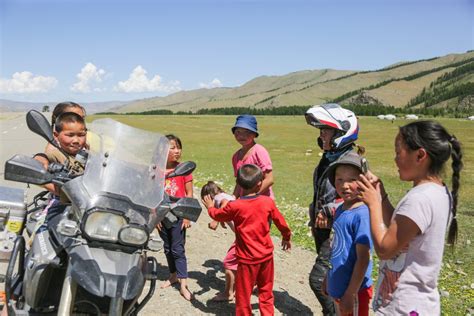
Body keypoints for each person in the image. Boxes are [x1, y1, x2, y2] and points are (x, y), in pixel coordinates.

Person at [356, 120, 463, 315]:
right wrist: (381, 195)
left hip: (402, 306)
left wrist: (372, 204)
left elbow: (385, 249)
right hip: (419, 304)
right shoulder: (437, 191)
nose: (395, 159)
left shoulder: (419, 199)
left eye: (398, 152)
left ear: (420, 155)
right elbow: (399, 231)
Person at [203, 164, 291, 316]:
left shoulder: (235, 206)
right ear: (259, 184)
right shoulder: (267, 202)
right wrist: (286, 236)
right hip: (266, 257)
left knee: (243, 296)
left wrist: (210, 207)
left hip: (246, 260)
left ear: (239, 183)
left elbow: (217, 215)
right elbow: (281, 222)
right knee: (266, 291)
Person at [304, 103, 362, 316]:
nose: (322, 136)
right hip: (325, 231)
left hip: (340, 233)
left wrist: (329, 209)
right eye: (321, 131)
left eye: (326, 130)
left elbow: (361, 197)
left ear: (342, 132)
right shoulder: (329, 158)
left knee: (319, 279)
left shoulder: (352, 162)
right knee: (333, 282)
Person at [323, 152, 373, 316]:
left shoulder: (362, 214)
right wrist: (328, 278)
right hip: (339, 287)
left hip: (354, 292)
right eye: (340, 180)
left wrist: (351, 293)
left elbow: (363, 258)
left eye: (352, 180)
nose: (345, 185)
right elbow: (336, 248)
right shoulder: (340, 209)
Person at [157, 134, 194, 301]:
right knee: (167, 247)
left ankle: (184, 285)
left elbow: (189, 194)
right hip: (162, 214)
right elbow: (152, 194)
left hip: (179, 214)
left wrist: (187, 217)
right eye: (172, 147)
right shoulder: (156, 170)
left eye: (178, 147)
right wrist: (155, 217)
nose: (177, 151)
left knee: (178, 249)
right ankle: (173, 275)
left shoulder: (184, 169)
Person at [34, 112, 88, 221]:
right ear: (56, 135)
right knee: (50, 228)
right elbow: (43, 158)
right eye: (70, 135)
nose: (76, 140)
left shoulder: (87, 153)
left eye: (81, 135)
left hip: (88, 204)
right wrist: (40, 160)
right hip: (61, 205)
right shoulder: (56, 153)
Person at [200, 181, 237, 302]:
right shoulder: (226, 195)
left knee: (229, 264)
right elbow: (229, 205)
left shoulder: (218, 198)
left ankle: (228, 293)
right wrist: (222, 220)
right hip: (248, 234)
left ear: (208, 197)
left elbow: (225, 205)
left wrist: (216, 219)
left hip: (243, 237)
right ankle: (250, 285)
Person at [231, 114, 274, 199]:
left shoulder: (259, 151)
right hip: (246, 202)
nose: (241, 136)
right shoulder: (236, 156)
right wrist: (233, 198)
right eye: (238, 132)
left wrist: (250, 196)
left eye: (246, 132)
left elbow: (269, 179)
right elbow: (239, 183)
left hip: (262, 201)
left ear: (254, 134)